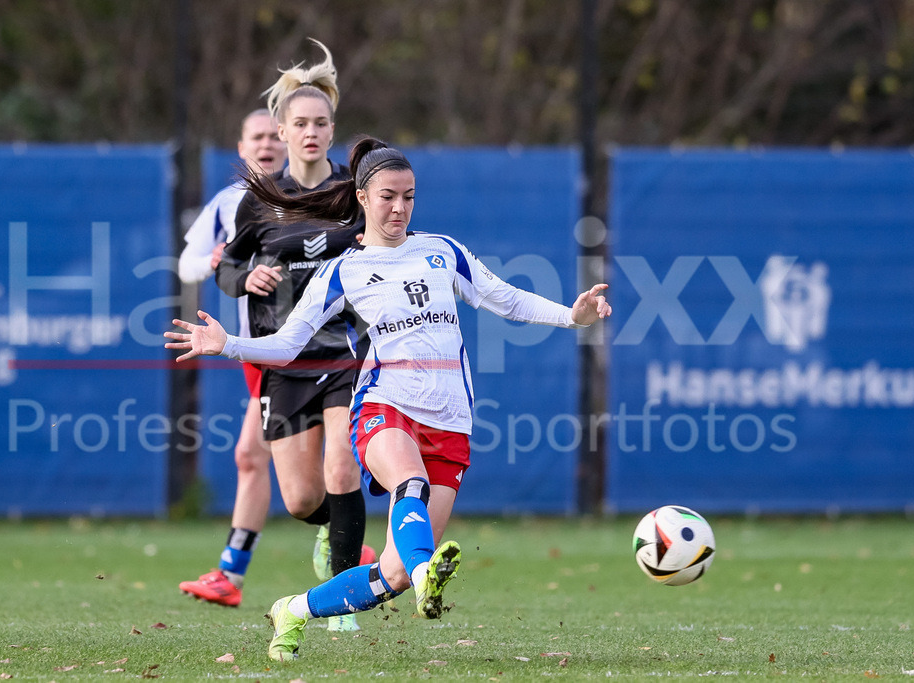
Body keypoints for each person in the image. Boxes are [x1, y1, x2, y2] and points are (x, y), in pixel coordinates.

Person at [164, 136, 613, 661]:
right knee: (410, 484)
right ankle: (429, 575)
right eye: (387, 197)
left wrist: (570, 316)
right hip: (385, 404)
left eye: (409, 196)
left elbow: (506, 298)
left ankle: (295, 610)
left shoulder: (442, 252)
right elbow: (288, 344)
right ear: (360, 197)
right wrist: (229, 345)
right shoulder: (344, 271)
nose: (399, 207)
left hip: (451, 419)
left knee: (391, 576)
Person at [212, 39, 374, 631]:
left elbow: (388, 250)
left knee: (340, 471)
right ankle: (336, 535)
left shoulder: (352, 193)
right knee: (303, 500)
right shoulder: (259, 199)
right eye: (299, 123)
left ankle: (341, 599)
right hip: (283, 362)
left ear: (332, 129)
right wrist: (244, 276)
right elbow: (227, 270)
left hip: (344, 353)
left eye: (320, 123)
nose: (310, 132)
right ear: (280, 130)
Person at [175, 110, 287, 608]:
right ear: (240, 148)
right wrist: (215, 262)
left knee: (257, 457)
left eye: (273, 135)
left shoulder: (315, 198)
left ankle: (231, 572)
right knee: (258, 458)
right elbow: (187, 263)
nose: (266, 144)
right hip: (256, 351)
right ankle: (354, 546)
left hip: (315, 352)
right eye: (256, 137)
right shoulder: (229, 204)